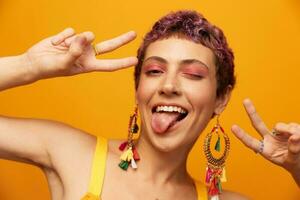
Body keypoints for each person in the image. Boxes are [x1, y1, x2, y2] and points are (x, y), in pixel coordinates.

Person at [0, 10, 299, 200]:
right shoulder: (71, 153)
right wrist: (28, 66)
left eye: (193, 74)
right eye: (154, 71)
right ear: (138, 89)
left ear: (220, 99)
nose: (168, 86)